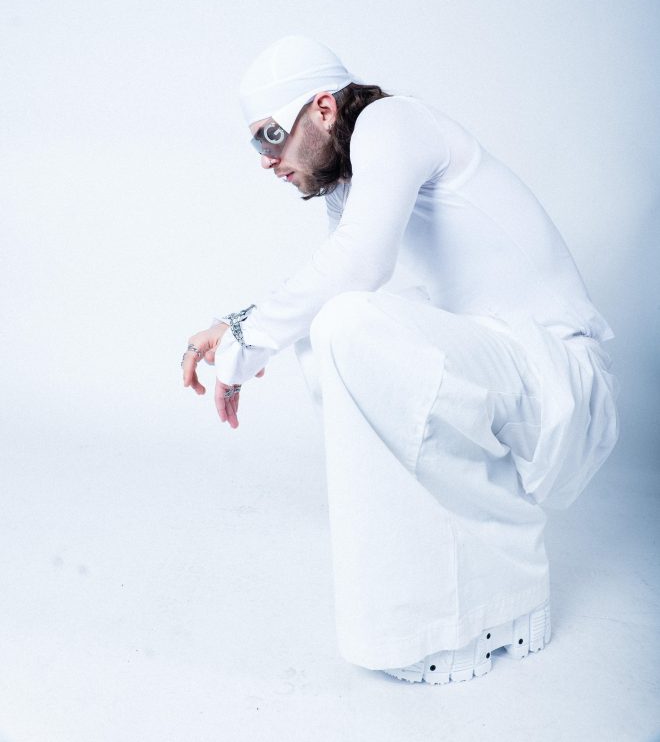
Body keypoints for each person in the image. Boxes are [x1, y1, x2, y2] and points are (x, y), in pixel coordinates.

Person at [181, 35, 619, 684]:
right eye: (256, 145)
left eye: (271, 134)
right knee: (330, 330)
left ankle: (491, 585)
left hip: (557, 375)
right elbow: (343, 281)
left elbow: (357, 267)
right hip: (503, 367)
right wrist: (244, 327)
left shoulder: (392, 121)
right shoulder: (350, 184)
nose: (267, 160)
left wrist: (247, 341)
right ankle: (449, 609)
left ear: (323, 108)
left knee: (344, 321)